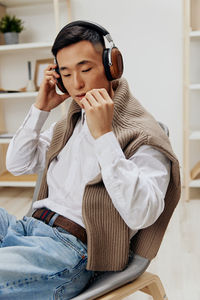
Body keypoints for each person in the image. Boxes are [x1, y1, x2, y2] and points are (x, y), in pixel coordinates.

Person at [1, 21, 180, 299]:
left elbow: (143, 213)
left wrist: (104, 136)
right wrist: (41, 109)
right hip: (28, 228)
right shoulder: (71, 122)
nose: (77, 84)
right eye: (66, 74)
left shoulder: (143, 134)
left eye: (86, 69)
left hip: (69, 253)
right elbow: (18, 164)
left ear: (112, 66)